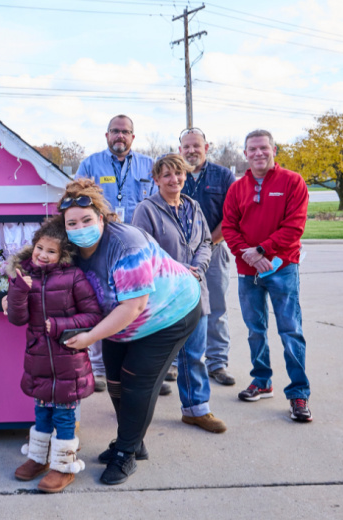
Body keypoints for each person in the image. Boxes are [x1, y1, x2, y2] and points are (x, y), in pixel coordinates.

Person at [59, 178, 201, 485]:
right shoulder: (67, 245)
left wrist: (90, 337)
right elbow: (36, 263)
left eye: (87, 219)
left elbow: (134, 305)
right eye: (72, 223)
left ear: (101, 217)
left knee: (137, 382)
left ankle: (126, 453)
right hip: (119, 323)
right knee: (115, 382)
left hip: (170, 313)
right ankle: (134, 440)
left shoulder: (126, 244)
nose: (80, 227)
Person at [4, 219, 102, 493]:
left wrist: (60, 325)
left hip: (68, 358)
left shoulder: (74, 277)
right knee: (41, 410)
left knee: (64, 414)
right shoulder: (25, 276)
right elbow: (17, 318)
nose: (43, 255)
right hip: (39, 358)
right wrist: (19, 291)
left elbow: (94, 315)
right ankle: (38, 458)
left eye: (51, 251)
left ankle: (63, 466)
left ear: (63, 255)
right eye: (40, 248)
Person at [221, 129, 312, 423]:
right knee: (255, 330)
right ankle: (262, 380)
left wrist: (262, 250)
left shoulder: (292, 182)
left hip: (282, 268)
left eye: (263, 148)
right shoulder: (237, 188)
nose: (258, 153)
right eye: (252, 149)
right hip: (248, 272)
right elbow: (229, 227)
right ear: (245, 154)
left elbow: (294, 226)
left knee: (290, 331)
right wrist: (247, 254)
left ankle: (298, 392)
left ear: (274, 149)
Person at [132, 154, 227, 434]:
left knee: (194, 354)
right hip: (163, 296)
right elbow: (142, 250)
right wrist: (177, 269)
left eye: (179, 173)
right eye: (167, 175)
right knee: (153, 358)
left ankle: (196, 410)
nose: (174, 179)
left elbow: (206, 242)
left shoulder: (194, 206)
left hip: (195, 290)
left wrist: (198, 267)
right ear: (156, 179)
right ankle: (135, 413)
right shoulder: (146, 209)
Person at [74, 114, 157, 393]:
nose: (120, 136)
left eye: (125, 132)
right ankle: (98, 369)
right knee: (101, 304)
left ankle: (141, 369)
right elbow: (76, 197)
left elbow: (157, 203)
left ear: (133, 136)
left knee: (138, 307)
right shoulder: (90, 164)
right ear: (106, 135)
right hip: (102, 246)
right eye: (115, 131)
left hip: (138, 248)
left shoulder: (148, 165)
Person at [179, 128, 237, 386]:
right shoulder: (173, 173)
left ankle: (217, 363)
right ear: (180, 149)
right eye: (186, 146)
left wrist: (206, 244)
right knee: (176, 309)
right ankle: (173, 363)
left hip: (214, 251)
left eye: (196, 146)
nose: (191, 151)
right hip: (178, 256)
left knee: (216, 309)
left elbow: (232, 216)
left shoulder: (223, 175)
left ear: (207, 147)